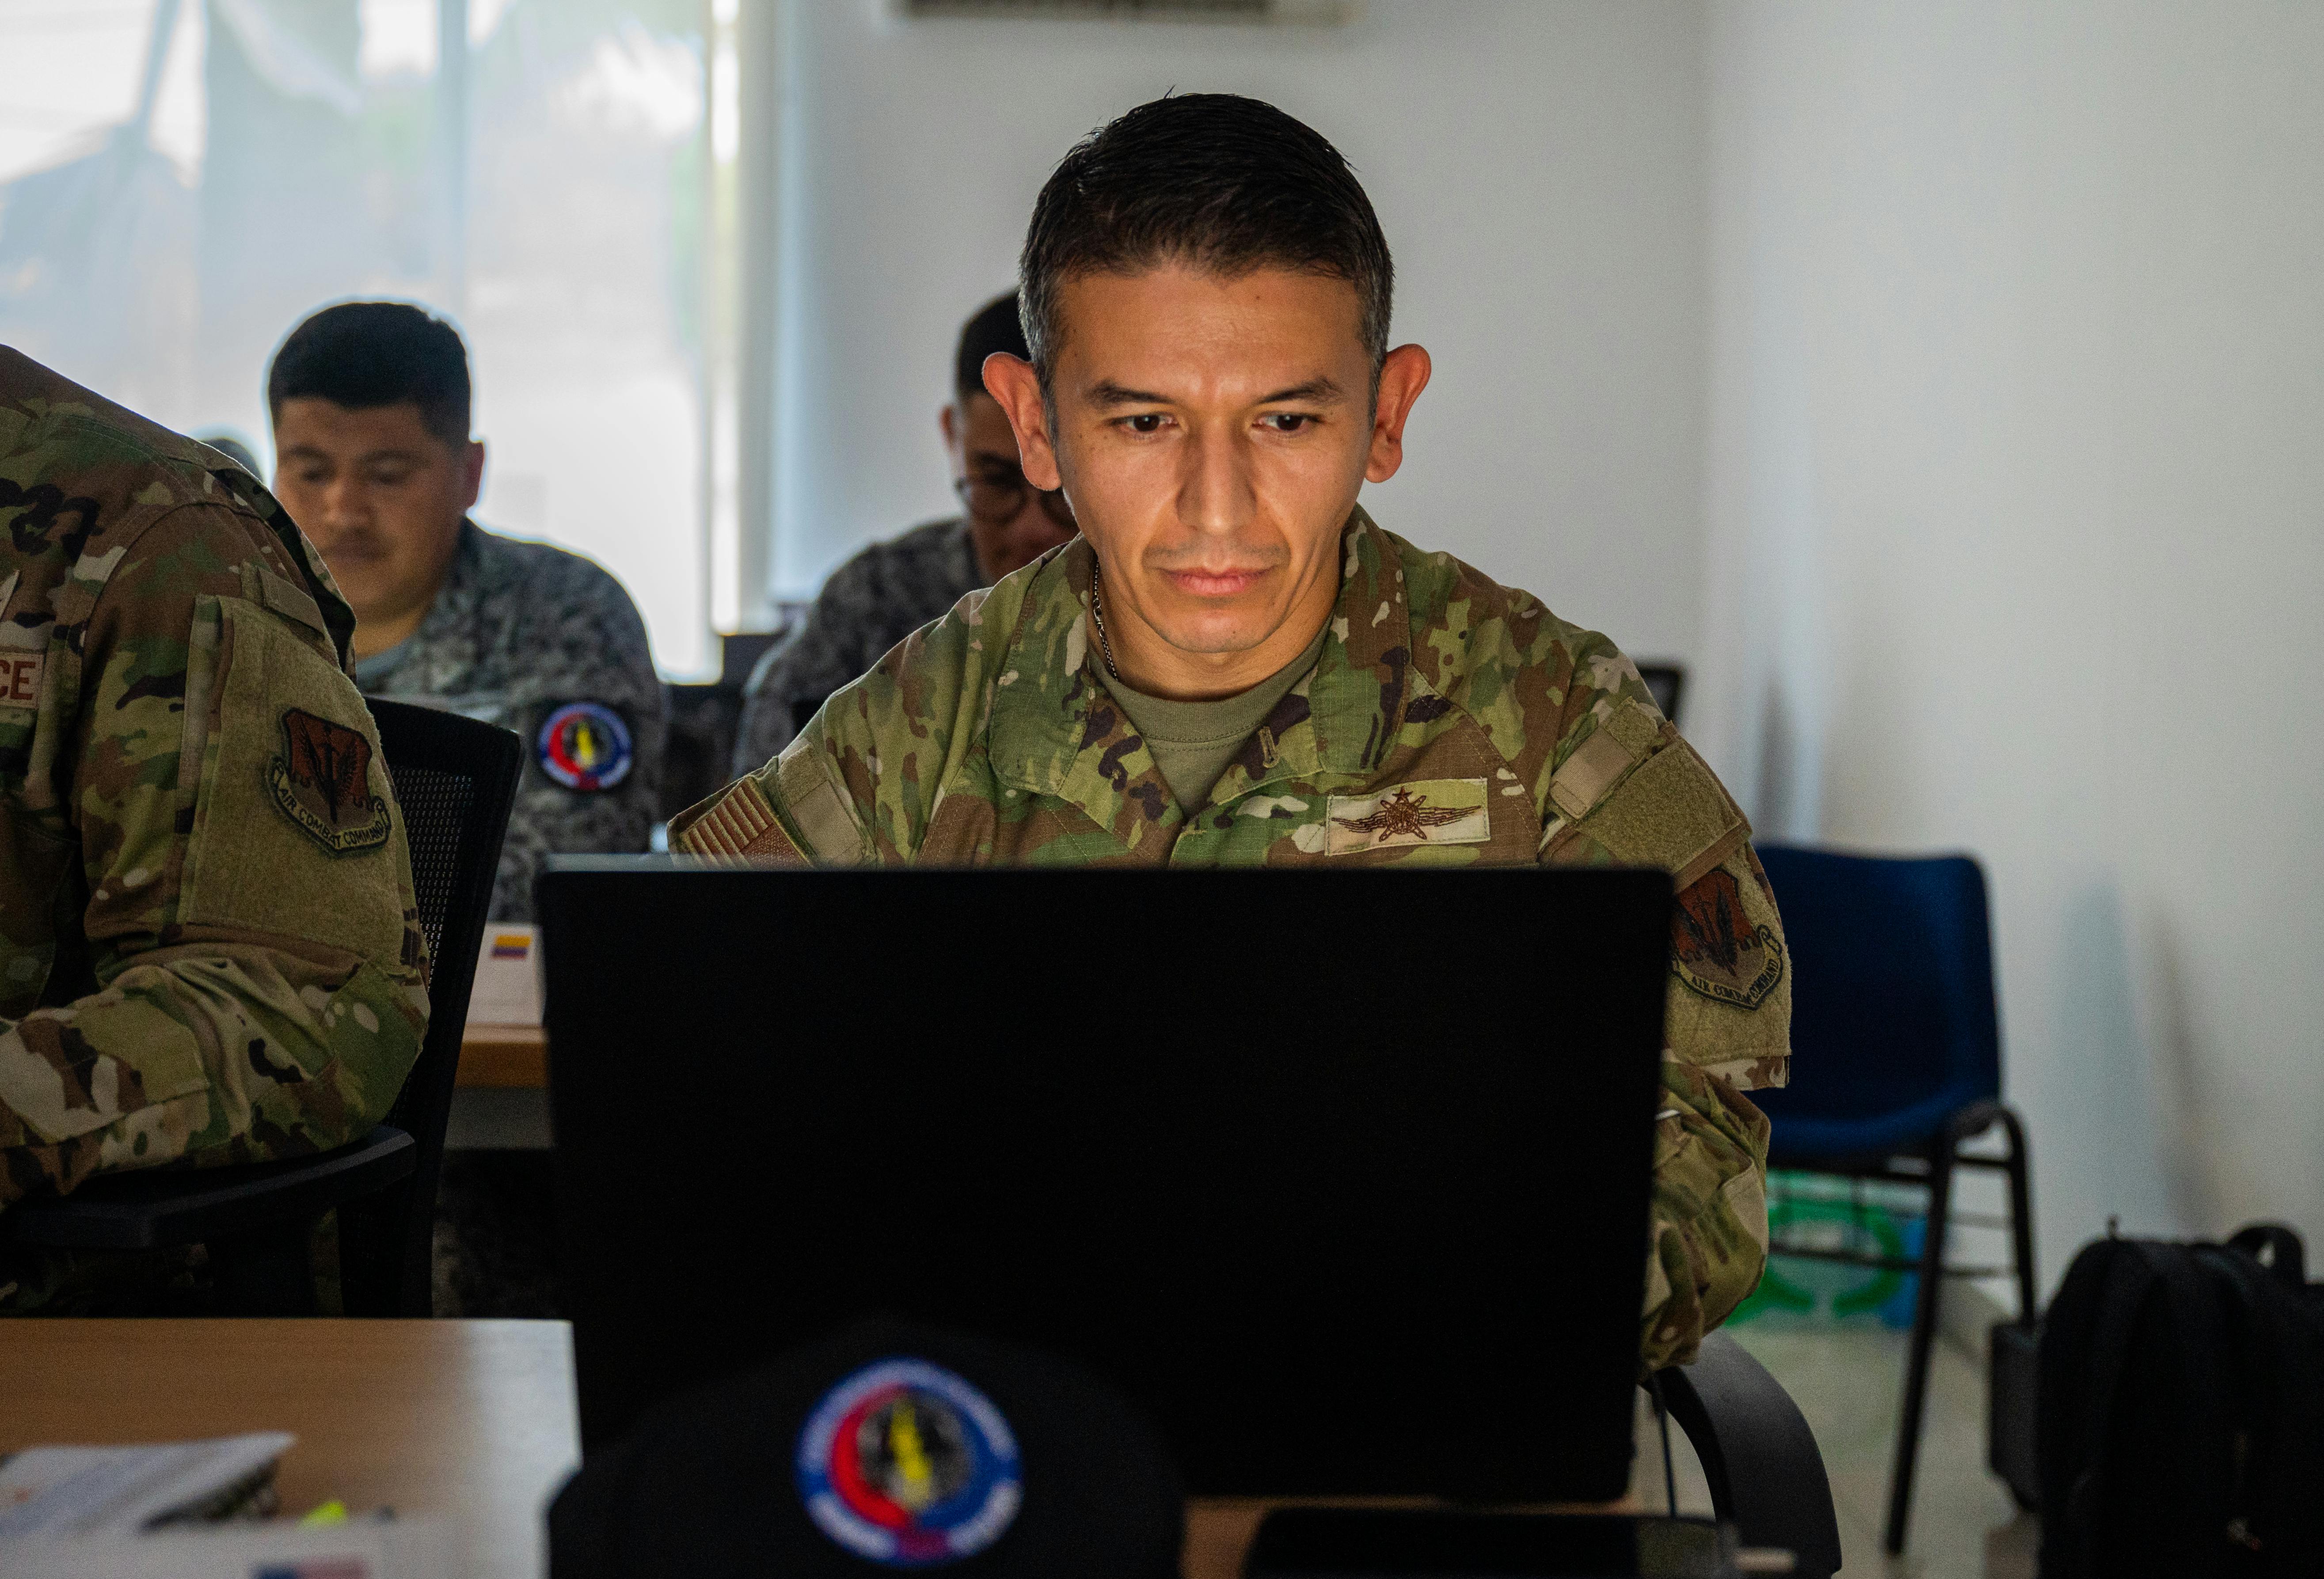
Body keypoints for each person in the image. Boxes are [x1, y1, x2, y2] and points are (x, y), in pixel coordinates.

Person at [675, 95, 1787, 1376]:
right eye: (1143, 422)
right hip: (1021, 1428)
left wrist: (1439, 1314)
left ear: (1386, 411)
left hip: (1410, 1428)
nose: (1219, 509)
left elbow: (1695, 1137)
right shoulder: (922, 720)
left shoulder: (1547, 722)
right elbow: (707, 1059)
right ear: (1033, 425)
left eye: (1287, 419)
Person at [0, 288, 428, 1309]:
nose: (346, 506)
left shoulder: (156, 536)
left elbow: (304, 1006)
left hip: (32, 1338)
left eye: (386, 473)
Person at [267, 301, 664, 922]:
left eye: (388, 475)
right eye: (312, 473)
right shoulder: (225, 618)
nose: (343, 511)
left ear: (470, 473)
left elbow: (559, 879)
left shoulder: (566, 617)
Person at [732, 294, 1079, 776]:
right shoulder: (875, 606)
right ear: (952, 437)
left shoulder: (1164, 608)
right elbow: (759, 827)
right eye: (996, 481)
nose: (1032, 526)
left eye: (1062, 488)